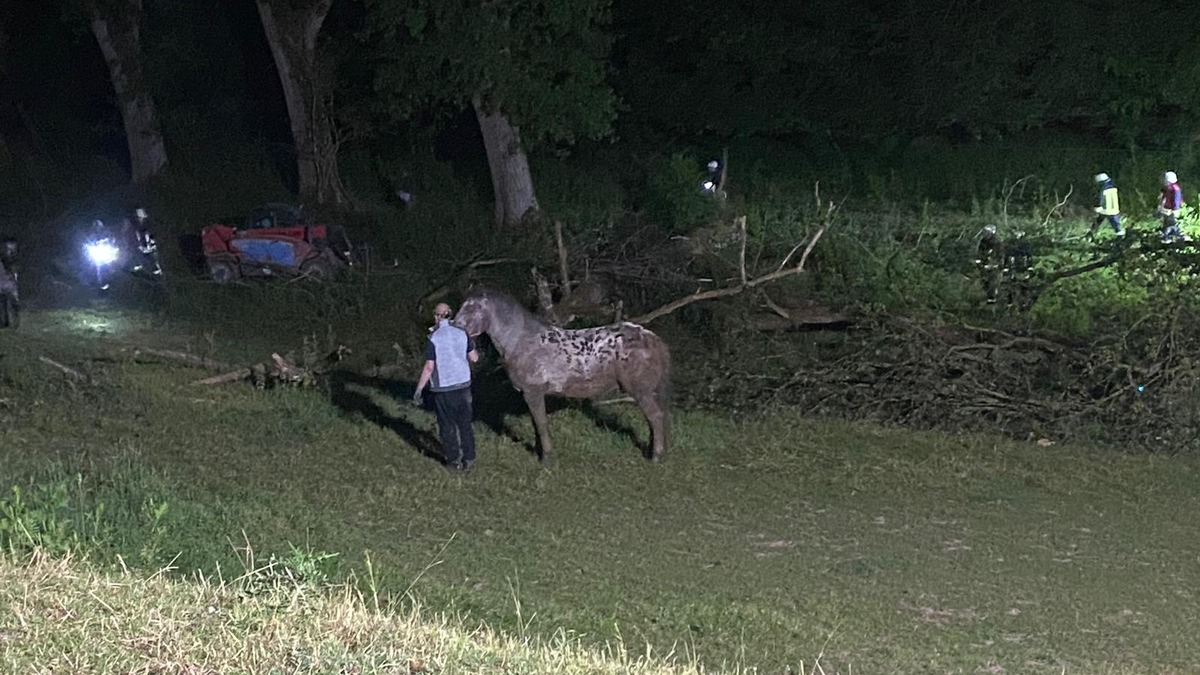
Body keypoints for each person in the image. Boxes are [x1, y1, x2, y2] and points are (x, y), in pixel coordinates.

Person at [412, 302, 480, 472]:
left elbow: (429, 367)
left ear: (436, 316)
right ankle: (470, 459)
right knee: (465, 424)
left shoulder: (434, 337)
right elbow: (474, 358)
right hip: (463, 385)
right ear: (451, 314)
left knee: (447, 426)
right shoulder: (462, 333)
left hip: (443, 389)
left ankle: (454, 461)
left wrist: (419, 389)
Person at [1088, 173, 1123, 238]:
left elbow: (1103, 199)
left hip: (1107, 209)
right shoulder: (1112, 185)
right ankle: (1120, 236)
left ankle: (1091, 233)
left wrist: (1100, 208)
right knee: (1115, 223)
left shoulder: (1104, 188)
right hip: (1114, 208)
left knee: (1100, 220)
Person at [975, 225, 1003, 304]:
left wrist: (998, 263)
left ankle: (992, 297)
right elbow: (980, 251)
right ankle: (990, 294)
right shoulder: (983, 241)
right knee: (984, 280)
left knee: (991, 280)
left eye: (987, 231)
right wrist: (979, 259)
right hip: (984, 263)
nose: (986, 233)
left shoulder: (996, 241)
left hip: (993, 264)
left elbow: (999, 253)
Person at [1159, 171, 1188, 243]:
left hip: (1172, 209)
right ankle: (1167, 237)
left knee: (1172, 223)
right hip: (1167, 208)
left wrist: (1176, 209)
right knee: (1166, 223)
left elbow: (1176, 199)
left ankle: (1173, 237)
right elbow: (1163, 196)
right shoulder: (1167, 188)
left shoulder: (1175, 188)